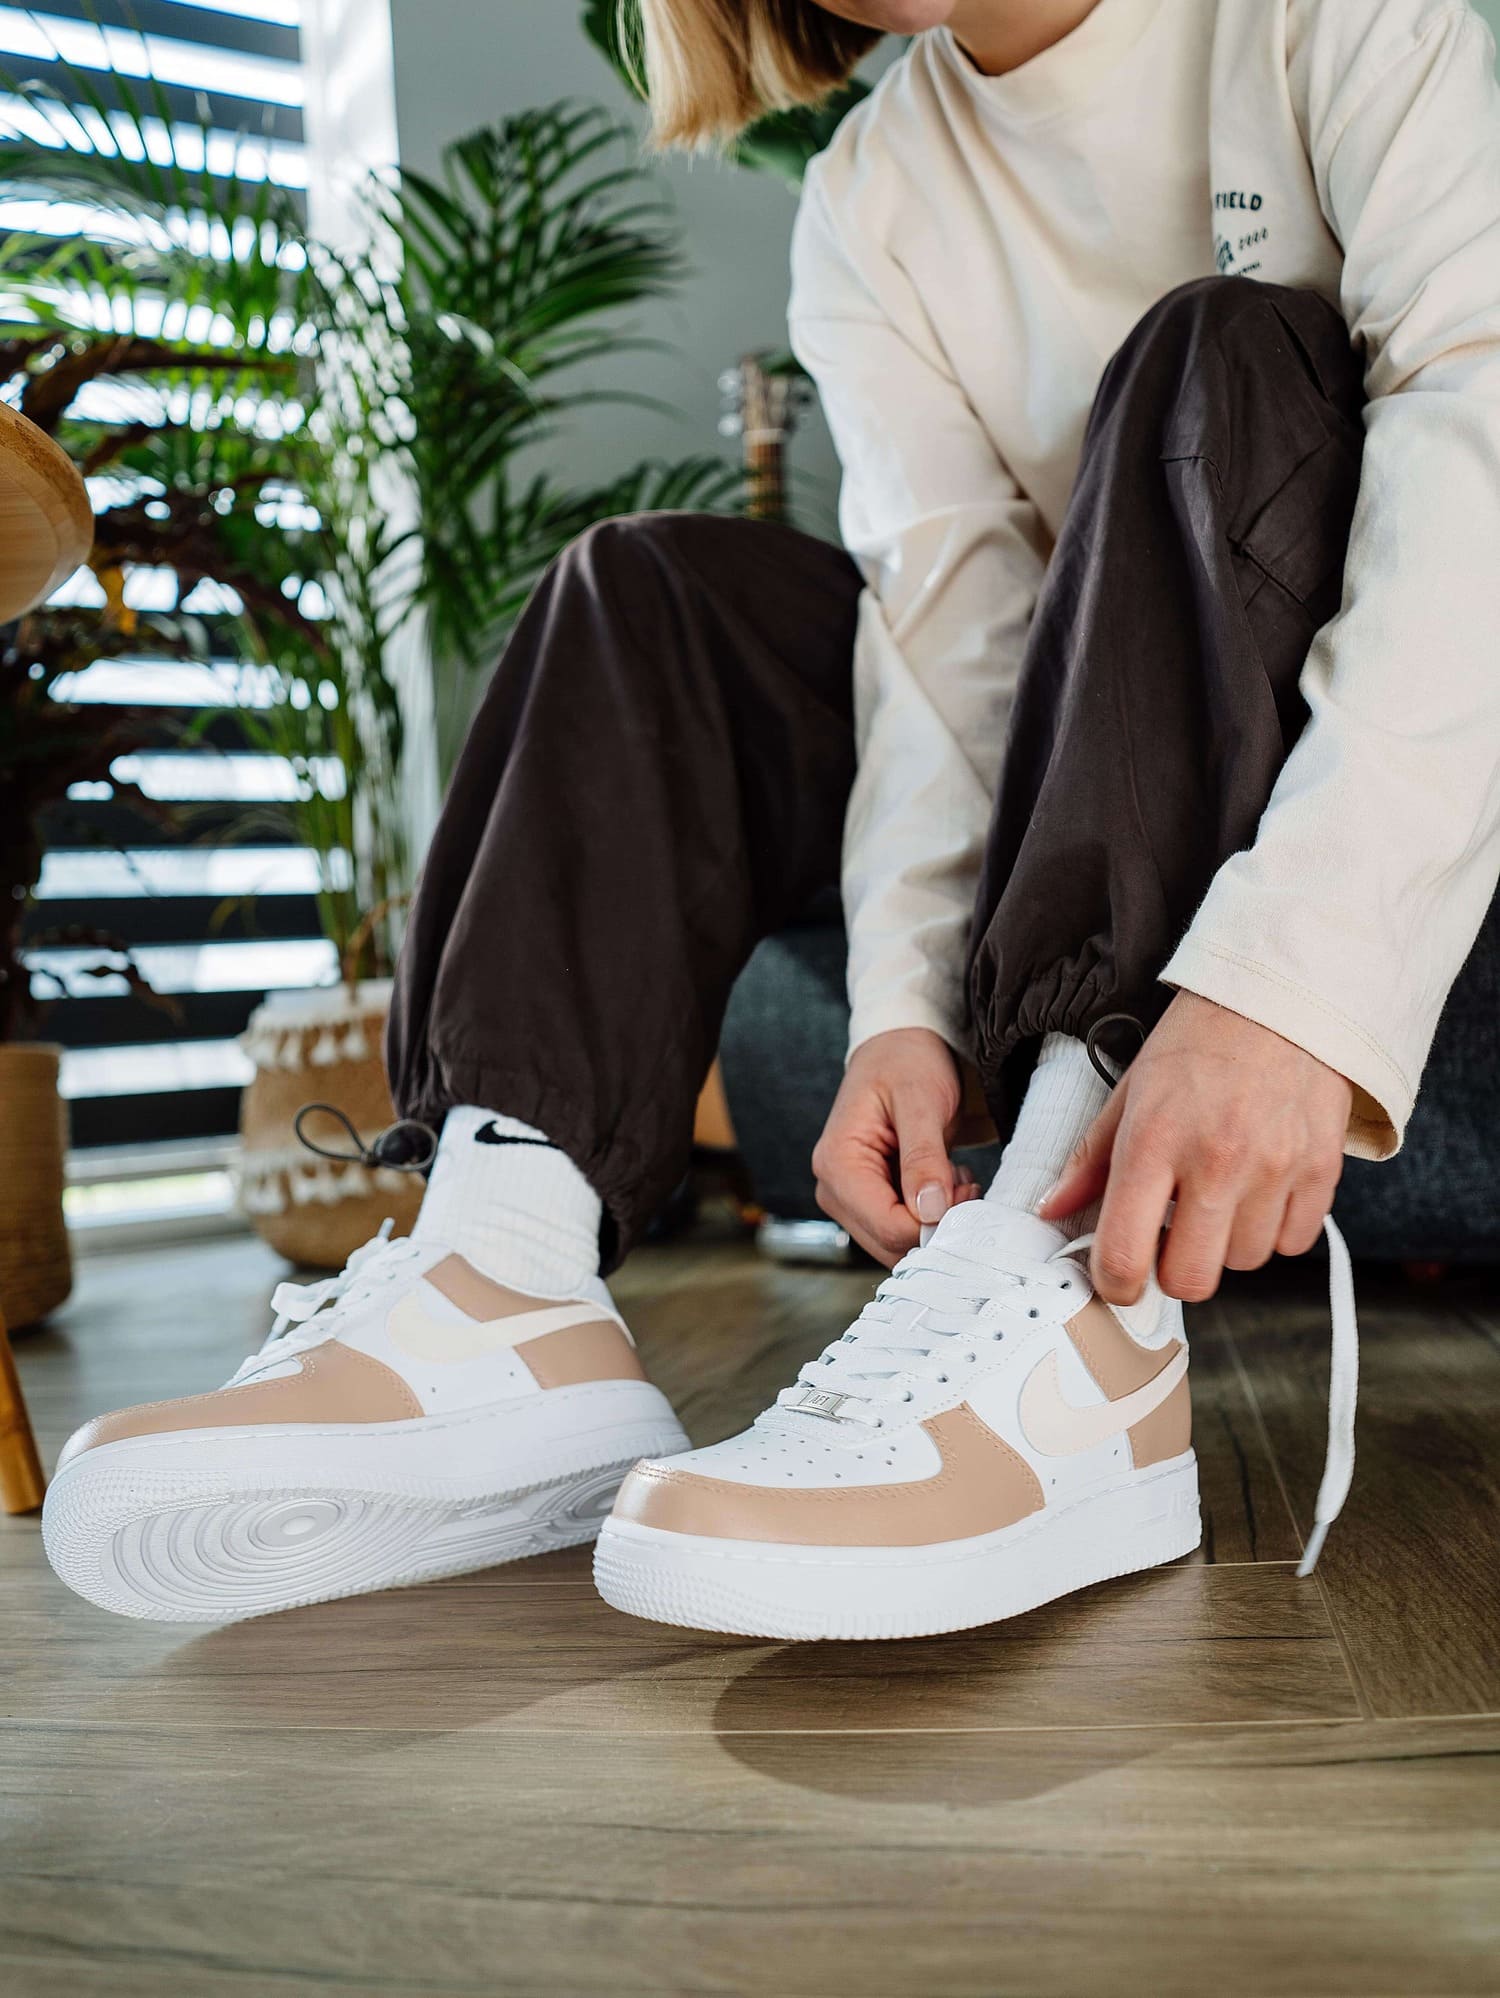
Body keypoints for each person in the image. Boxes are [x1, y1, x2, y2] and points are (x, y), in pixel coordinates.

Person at [45, 0, 1500, 1638]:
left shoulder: (1334, 20)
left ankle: (1071, 1296)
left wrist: (1293, 976)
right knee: (644, 592)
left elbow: (1482, 431)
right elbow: (951, 642)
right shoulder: (876, 188)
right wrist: (898, 1009)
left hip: (1361, 732)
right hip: (1060, 762)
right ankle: (502, 1283)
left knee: (1217, 350)